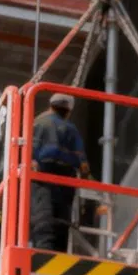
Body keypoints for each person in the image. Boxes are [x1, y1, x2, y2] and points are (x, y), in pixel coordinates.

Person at [30, 92, 90, 252]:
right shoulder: (71, 129)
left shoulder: (38, 123)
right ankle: (58, 254)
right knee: (62, 222)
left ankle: (43, 252)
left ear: (51, 105)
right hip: (66, 178)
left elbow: (26, 153)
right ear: (68, 110)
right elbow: (83, 164)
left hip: (42, 176)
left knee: (43, 218)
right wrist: (86, 179)